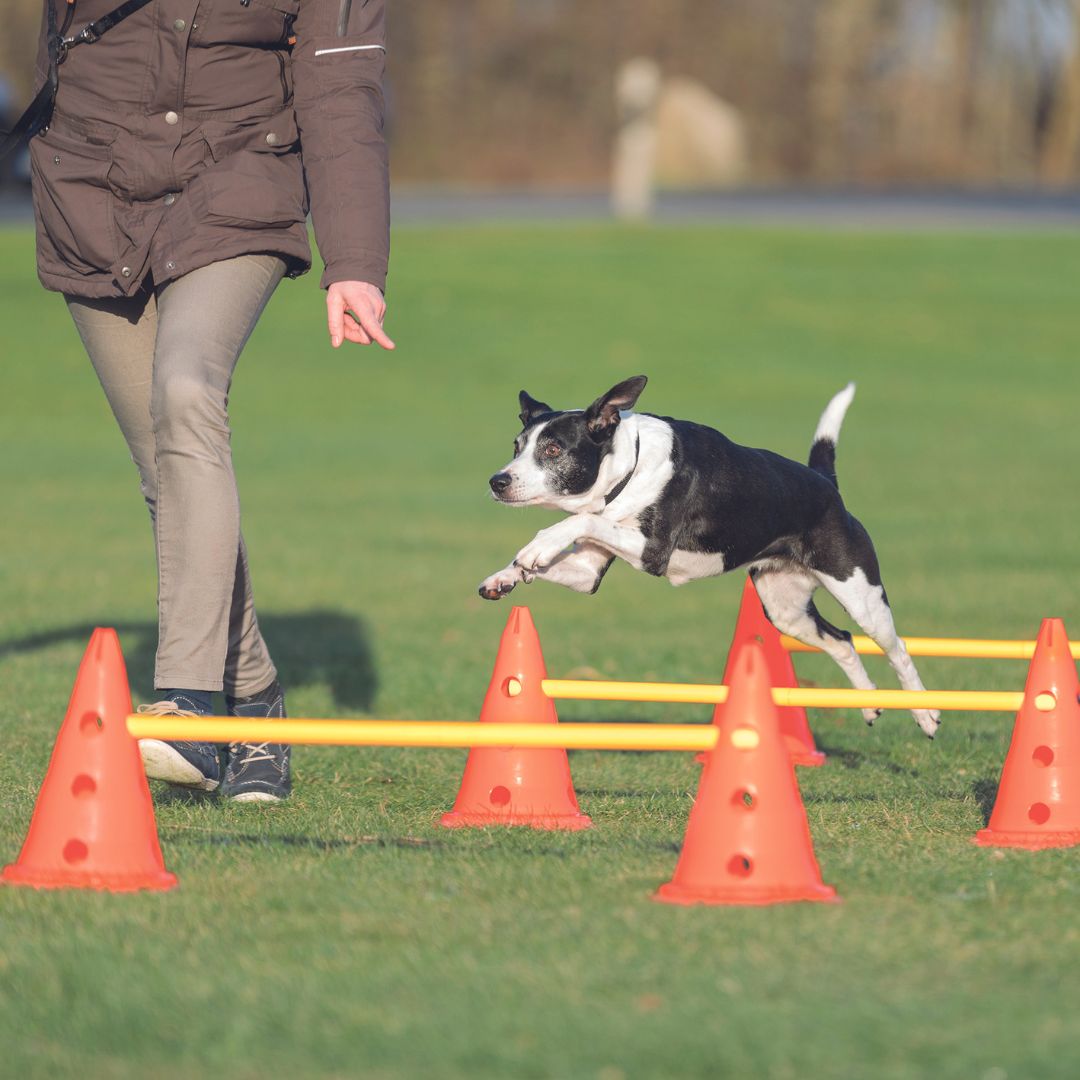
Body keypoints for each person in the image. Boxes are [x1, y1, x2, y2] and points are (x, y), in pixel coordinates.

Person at [26, 0, 393, 801]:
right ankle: (256, 704)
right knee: (169, 473)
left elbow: (342, 90)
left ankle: (188, 707)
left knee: (187, 389)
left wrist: (355, 260)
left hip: (237, 187)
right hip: (92, 195)